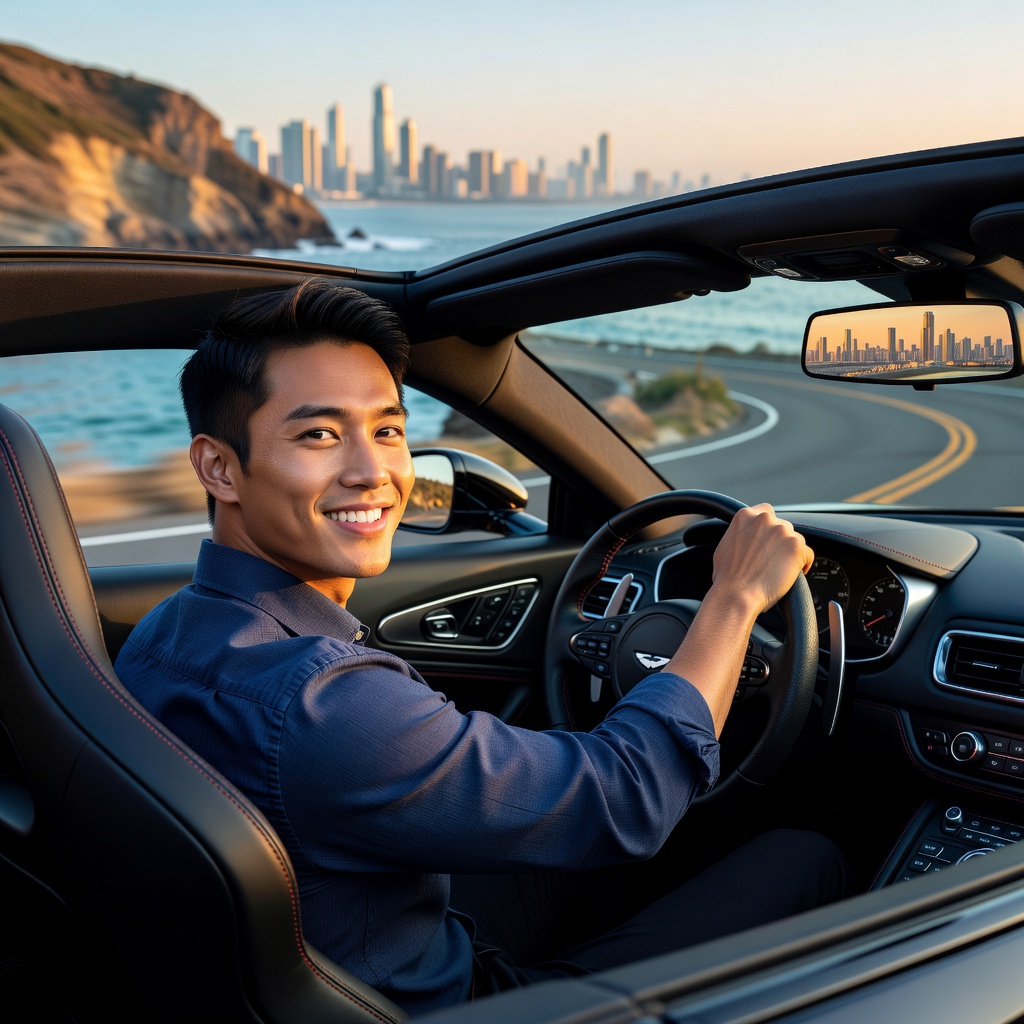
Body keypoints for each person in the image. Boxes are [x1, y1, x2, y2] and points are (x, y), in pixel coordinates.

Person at [115, 278, 846, 1016]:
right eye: (319, 435)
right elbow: (628, 798)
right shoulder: (322, 702)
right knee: (809, 857)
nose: (374, 473)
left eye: (388, 430)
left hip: (338, 952)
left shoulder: (164, 634)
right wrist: (733, 598)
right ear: (218, 467)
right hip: (446, 1003)